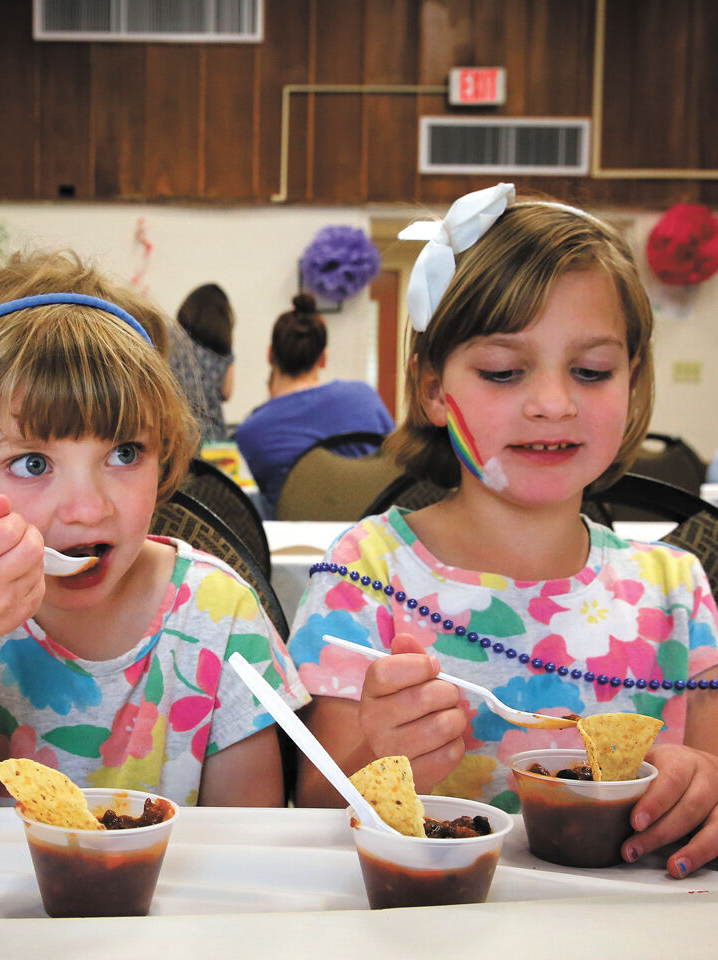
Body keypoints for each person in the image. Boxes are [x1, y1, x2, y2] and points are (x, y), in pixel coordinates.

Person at [287, 183, 718, 880]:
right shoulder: (365, 575)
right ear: (431, 387)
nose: (553, 402)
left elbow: (710, 790)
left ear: (632, 383)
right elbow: (312, 810)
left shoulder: (678, 598)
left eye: (592, 370)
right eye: (503, 371)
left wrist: (700, 791)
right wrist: (379, 755)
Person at [0, 250, 306, 808]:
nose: (87, 509)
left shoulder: (218, 612)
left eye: (125, 452)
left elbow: (249, 842)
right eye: (33, 464)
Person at [233, 293, 394, 517]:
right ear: (323, 358)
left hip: (293, 546)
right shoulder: (365, 397)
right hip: (369, 540)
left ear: (270, 355)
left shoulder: (250, 432)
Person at [167, 283, 234, 444]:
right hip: (213, 439)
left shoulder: (171, 339)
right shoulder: (223, 351)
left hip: (176, 434)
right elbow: (226, 392)